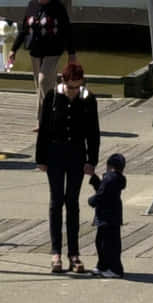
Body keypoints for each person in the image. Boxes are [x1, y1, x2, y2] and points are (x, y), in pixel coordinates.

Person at [35, 62, 100, 274]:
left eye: (78, 86)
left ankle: (74, 253)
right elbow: (44, 129)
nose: (74, 91)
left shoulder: (88, 99)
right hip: (54, 154)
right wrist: (41, 159)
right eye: (71, 87)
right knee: (56, 201)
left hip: (76, 155)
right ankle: (56, 253)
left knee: (72, 202)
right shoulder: (53, 97)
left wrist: (92, 160)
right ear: (63, 81)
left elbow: (93, 132)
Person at [5, 0, 76, 103]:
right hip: (35, 51)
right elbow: (24, 30)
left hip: (53, 51)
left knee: (43, 81)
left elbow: (67, 30)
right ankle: (42, 119)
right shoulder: (31, 5)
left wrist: (71, 53)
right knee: (39, 86)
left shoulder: (57, 6)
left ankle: (50, 112)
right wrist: (13, 50)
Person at [87, 152, 127, 278]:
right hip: (113, 216)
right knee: (104, 242)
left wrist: (91, 201)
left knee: (106, 244)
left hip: (106, 216)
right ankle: (103, 266)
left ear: (109, 166)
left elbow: (101, 194)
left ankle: (114, 269)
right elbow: (102, 189)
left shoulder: (109, 178)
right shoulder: (116, 178)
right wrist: (94, 178)